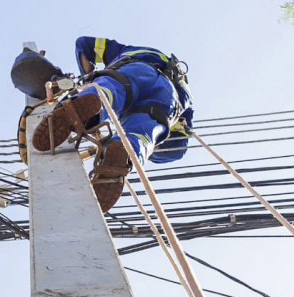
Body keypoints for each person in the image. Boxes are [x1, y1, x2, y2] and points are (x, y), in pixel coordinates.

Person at [31, 36, 194, 212]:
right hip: (168, 99)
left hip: (134, 69)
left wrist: (86, 81)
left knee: (109, 90)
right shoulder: (186, 94)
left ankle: (83, 109)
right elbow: (177, 150)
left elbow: (84, 44)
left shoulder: (134, 50)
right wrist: (153, 152)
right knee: (144, 133)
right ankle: (126, 152)